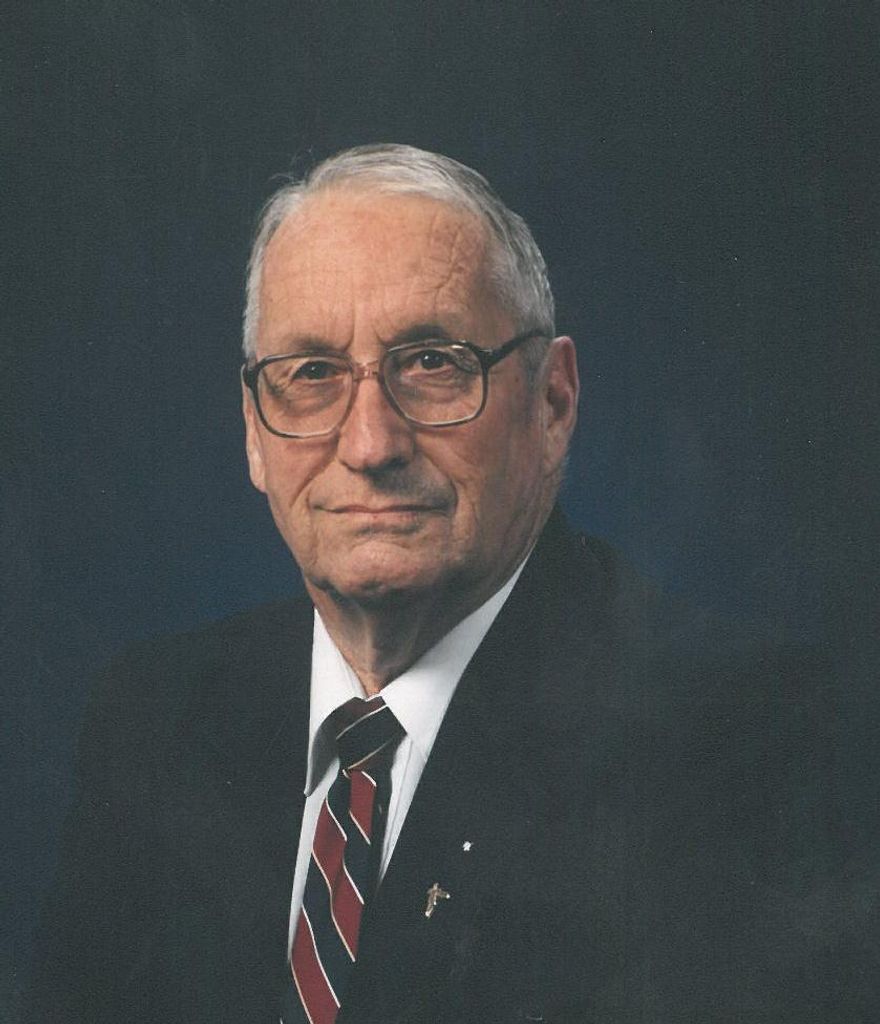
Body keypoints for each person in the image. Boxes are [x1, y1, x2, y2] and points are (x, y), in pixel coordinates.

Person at [27, 145, 867, 1023]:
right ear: (253, 431)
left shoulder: (743, 743)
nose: (369, 444)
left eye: (432, 362)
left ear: (552, 403)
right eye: (311, 374)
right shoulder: (152, 721)